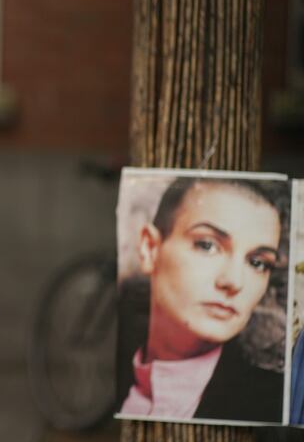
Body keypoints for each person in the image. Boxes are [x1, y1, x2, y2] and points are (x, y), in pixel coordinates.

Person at [116, 176, 288, 423]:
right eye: (207, 245)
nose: (233, 281)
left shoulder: (271, 405)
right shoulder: (104, 382)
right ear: (150, 249)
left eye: (257, 263)